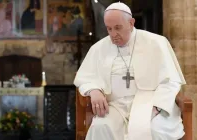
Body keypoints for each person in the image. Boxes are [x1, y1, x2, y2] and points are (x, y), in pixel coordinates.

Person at [74, 2, 186, 140]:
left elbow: (171, 81)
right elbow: (85, 77)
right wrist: (93, 90)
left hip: (150, 103)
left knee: (154, 130)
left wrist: (158, 106)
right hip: (114, 106)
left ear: (131, 23)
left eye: (118, 28)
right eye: (109, 29)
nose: (113, 34)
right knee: (100, 127)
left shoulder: (156, 43)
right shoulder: (98, 48)